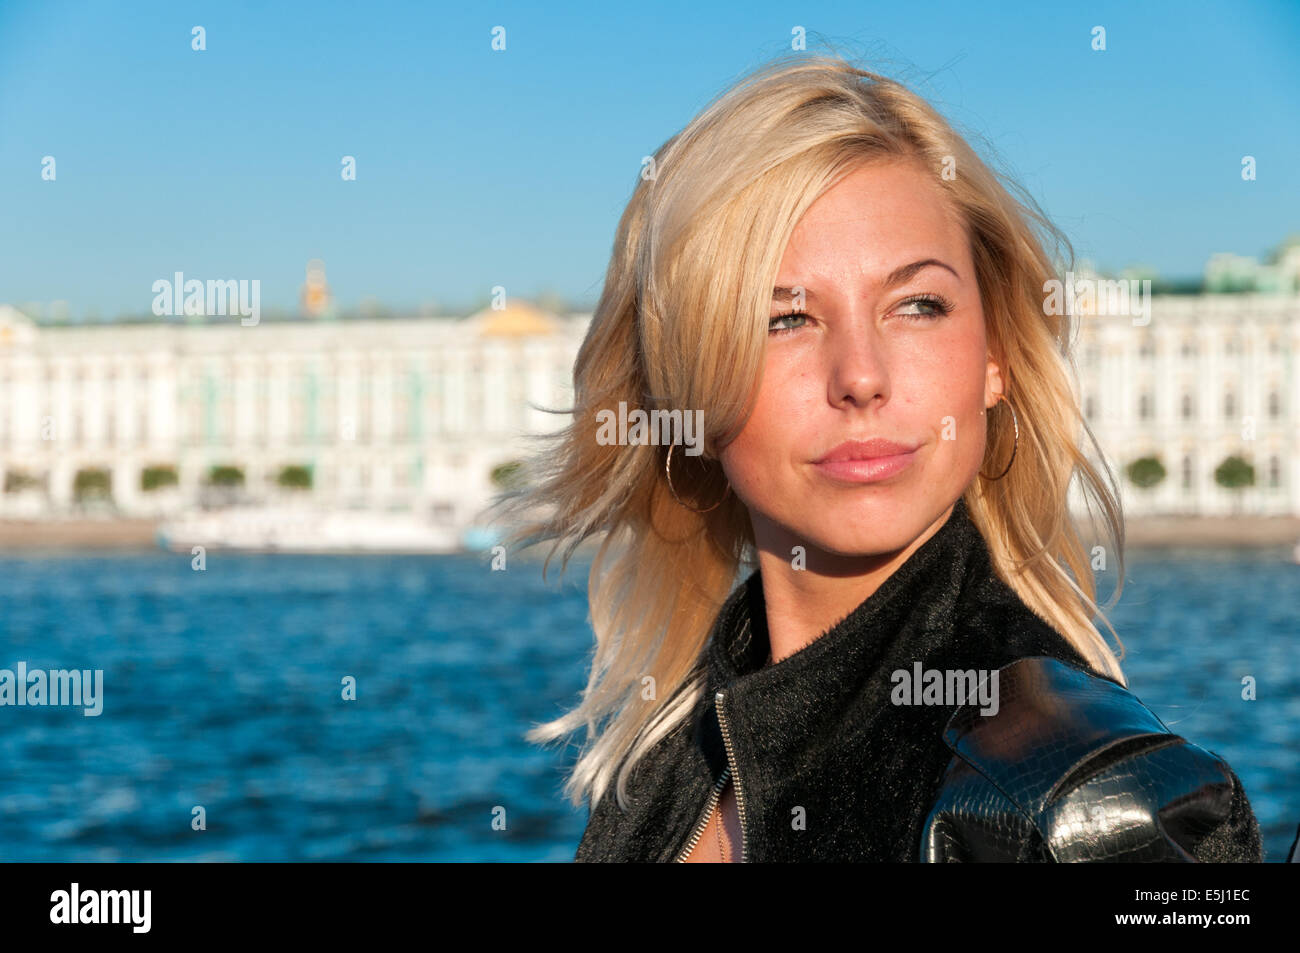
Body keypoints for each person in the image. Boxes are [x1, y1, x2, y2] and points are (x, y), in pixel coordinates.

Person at [494, 52, 1263, 862]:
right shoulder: (663, 763)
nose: (860, 376)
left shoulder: (1077, 806)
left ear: (994, 355)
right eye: (784, 318)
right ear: (691, 388)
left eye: (917, 305)